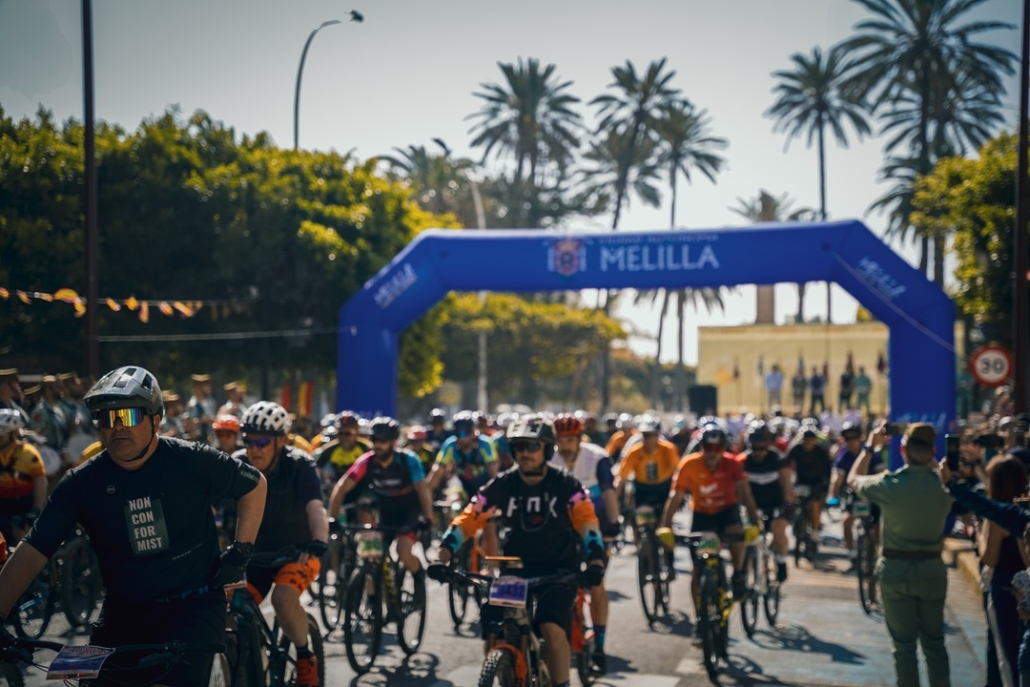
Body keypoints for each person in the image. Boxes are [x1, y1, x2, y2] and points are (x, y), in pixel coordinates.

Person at [0, 365, 267, 687]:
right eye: (106, 418)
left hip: (193, 604)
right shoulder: (81, 483)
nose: (116, 427)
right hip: (124, 611)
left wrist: (239, 554)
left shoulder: (190, 459)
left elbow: (254, 485)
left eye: (127, 416)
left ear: (156, 420)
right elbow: (34, 548)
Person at [429, 415, 606, 687]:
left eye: (532, 446)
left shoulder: (566, 485)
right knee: (493, 627)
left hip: (559, 571)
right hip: (515, 570)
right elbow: (469, 517)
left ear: (547, 450)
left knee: (550, 626)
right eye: (519, 446)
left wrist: (595, 561)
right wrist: (442, 555)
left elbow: (587, 522)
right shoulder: (503, 484)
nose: (525, 453)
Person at [847, 422, 953, 687]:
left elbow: (853, 479)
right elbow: (944, 475)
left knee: (904, 647)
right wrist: (934, 464)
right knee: (935, 644)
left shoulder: (889, 485)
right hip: (932, 570)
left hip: (895, 570)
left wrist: (870, 447)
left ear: (903, 450)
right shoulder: (946, 486)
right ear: (933, 451)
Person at [234, 401, 327, 687]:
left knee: (283, 599)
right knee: (231, 609)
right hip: (254, 557)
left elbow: (315, 507)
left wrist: (318, 541)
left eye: (262, 442)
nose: (254, 448)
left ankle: (305, 657)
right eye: (248, 440)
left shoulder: (299, 464)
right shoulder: (236, 464)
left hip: (298, 553)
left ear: (281, 441)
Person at [660, 423, 759, 613]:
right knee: (697, 570)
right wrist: (666, 525)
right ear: (701, 447)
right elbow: (676, 496)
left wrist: (753, 521)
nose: (712, 453)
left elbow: (745, 493)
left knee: (737, 534)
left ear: (723, 448)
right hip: (702, 514)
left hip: (727, 512)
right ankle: (700, 618)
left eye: (717, 448)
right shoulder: (689, 464)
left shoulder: (732, 463)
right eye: (708, 448)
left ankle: (738, 574)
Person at [549, 413, 619, 673]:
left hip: (595, 527)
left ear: (580, 439)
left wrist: (614, 521)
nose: (564, 446)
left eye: (570, 440)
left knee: (596, 583)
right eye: (560, 441)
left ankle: (599, 644)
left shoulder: (597, 457)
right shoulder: (549, 458)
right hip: (563, 528)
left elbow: (609, 492)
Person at [328, 416, 433, 581]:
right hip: (384, 513)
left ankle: (418, 575)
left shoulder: (409, 460)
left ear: (393, 442)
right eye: (374, 440)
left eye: (382, 441)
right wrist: (332, 518)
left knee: (402, 551)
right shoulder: (367, 461)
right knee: (371, 558)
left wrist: (428, 518)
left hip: (409, 512)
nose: (377, 445)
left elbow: (422, 489)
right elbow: (341, 488)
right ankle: (373, 595)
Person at [977, 456, 1028, 687]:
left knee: (1004, 653)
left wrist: (979, 532)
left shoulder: (1001, 516)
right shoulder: (1024, 513)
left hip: (1005, 590)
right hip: (1025, 588)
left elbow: (990, 557)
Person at [737, 421, 794, 581]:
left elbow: (787, 486)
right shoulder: (742, 461)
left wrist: (787, 504)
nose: (758, 452)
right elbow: (738, 491)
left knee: (778, 530)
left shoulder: (778, 459)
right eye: (754, 448)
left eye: (762, 448)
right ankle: (744, 575)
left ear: (769, 445)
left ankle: (781, 562)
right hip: (752, 506)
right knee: (746, 538)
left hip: (776, 503)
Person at [830, 421, 884, 566]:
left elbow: (881, 472)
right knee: (846, 522)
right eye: (847, 438)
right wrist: (833, 497)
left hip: (872, 495)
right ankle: (852, 553)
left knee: (878, 526)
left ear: (860, 437)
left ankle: (879, 554)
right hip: (854, 495)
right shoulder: (843, 457)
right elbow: (837, 480)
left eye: (854, 437)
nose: (851, 441)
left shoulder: (873, 454)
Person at [425, 410, 498, 496]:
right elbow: (437, 470)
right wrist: (426, 493)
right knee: (454, 498)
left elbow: (493, 472)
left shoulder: (485, 444)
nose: (459, 438)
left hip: (484, 486)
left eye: (463, 434)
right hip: (462, 486)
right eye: (456, 434)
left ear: (472, 433)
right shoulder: (450, 445)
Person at [0, 409, 46, 544]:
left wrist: (36, 511)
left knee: (22, 536)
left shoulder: (28, 453)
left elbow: (41, 483)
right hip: (3, 505)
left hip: (23, 506)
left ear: (13, 433)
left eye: (2, 432)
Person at [786, 427, 832, 542]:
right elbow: (786, 462)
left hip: (817, 482)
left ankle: (815, 531)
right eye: (806, 440)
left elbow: (828, 468)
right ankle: (794, 522)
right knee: (792, 501)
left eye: (811, 440)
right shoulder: (796, 449)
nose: (809, 443)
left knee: (815, 506)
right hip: (800, 481)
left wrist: (826, 484)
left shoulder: (820, 451)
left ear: (815, 441)